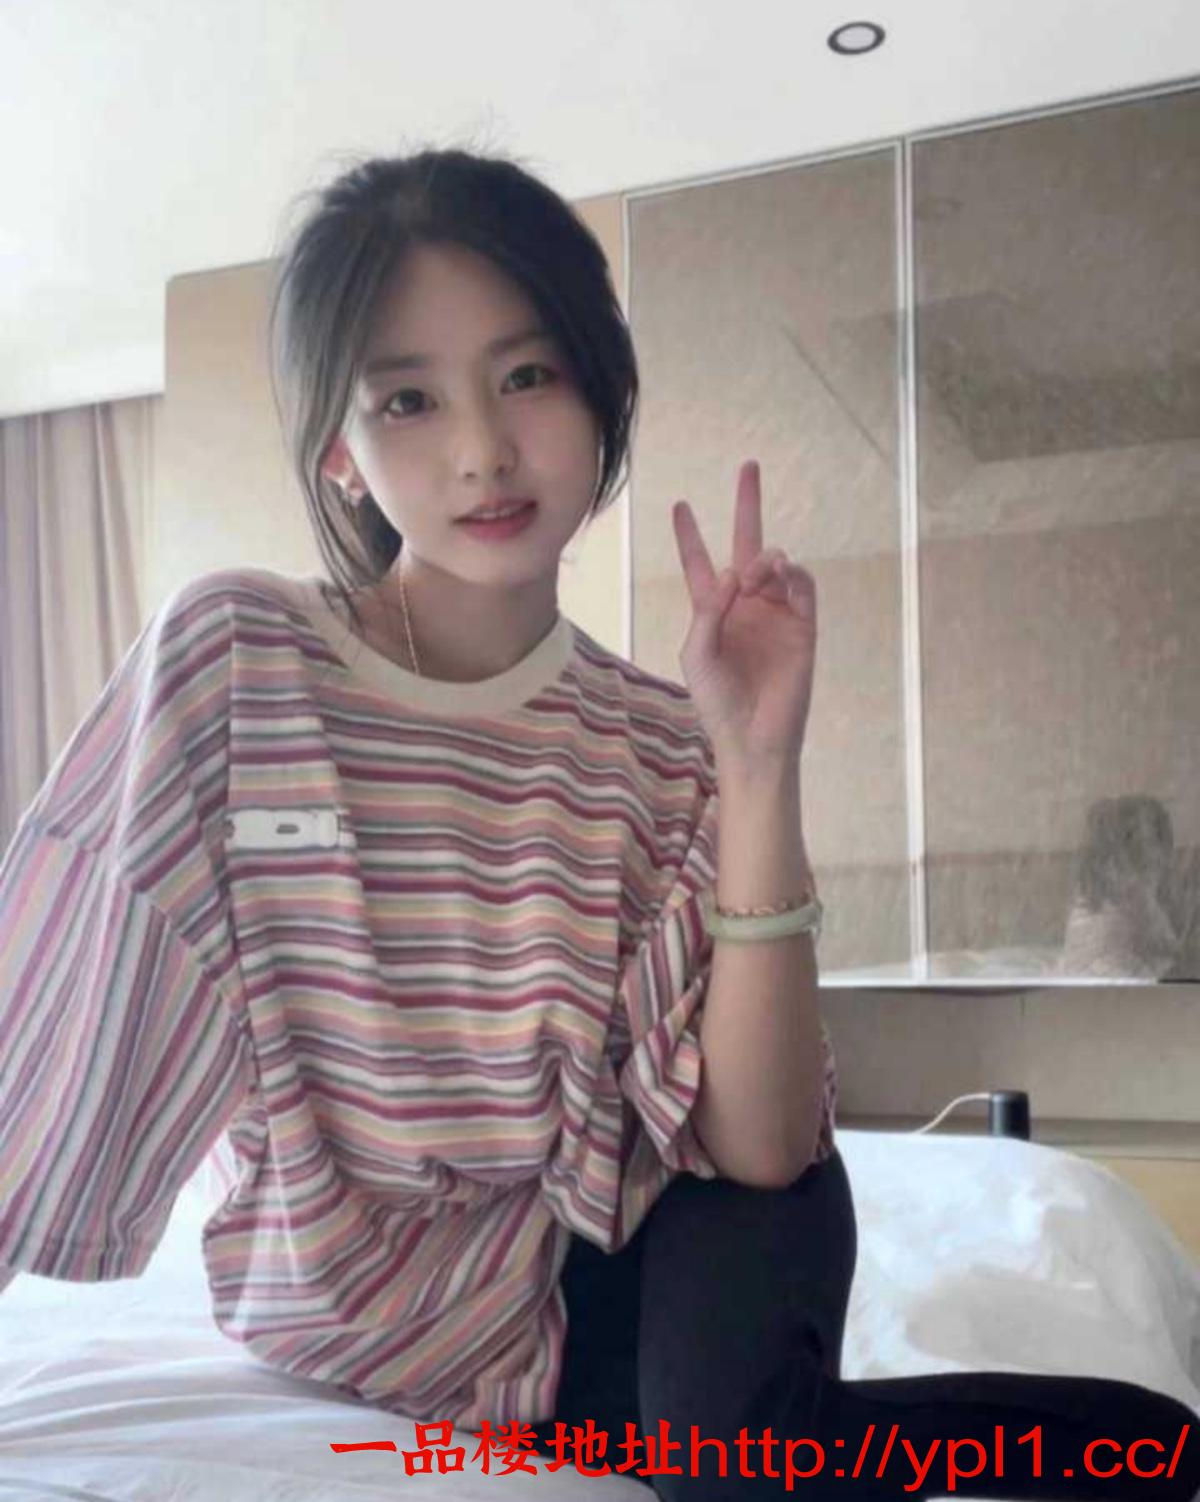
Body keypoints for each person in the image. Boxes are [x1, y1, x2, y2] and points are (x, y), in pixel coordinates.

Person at [0, 143, 1195, 1502]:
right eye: (408, 399)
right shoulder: (240, 660)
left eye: (527, 376)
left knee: (738, 1461)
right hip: (415, 1324)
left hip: (678, 1202)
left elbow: (756, 1145)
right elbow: (68, 998)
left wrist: (756, 764)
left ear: (597, 389)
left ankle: (1161, 1450)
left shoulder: (657, 740)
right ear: (339, 451)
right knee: (731, 1441)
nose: (484, 450)